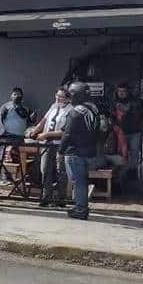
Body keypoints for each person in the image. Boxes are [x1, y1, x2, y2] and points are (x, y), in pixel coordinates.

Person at [60, 82, 100, 220]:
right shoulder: (94, 109)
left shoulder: (75, 112)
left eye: (71, 95)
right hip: (90, 151)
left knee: (78, 181)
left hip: (75, 152)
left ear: (76, 95)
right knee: (82, 180)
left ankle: (81, 209)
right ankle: (81, 205)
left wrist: (60, 151)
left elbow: (67, 134)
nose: (70, 98)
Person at [30, 87, 73, 207]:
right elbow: (44, 121)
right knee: (45, 170)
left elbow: (65, 131)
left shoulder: (70, 110)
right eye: (57, 96)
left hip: (60, 145)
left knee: (61, 172)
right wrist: (34, 131)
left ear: (68, 99)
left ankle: (61, 199)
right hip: (47, 144)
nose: (58, 98)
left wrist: (46, 134)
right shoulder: (53, 106)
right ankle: (46, 197)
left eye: (61, 97)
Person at [111, 82, 143, 189]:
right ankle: (119, 178)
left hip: (134, 132)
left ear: (128, 92)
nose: (121, 93)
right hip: (119, 133)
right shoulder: (114, 102)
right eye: (119, 91)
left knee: (134, 153)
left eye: (123, 91)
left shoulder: (137, 101)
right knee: (120, 155)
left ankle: (131, 176)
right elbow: (111, 116)